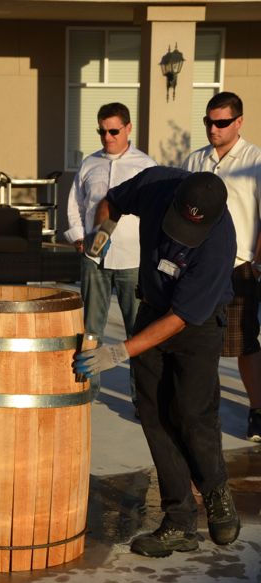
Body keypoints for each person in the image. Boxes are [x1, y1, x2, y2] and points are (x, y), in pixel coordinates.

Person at [73, 166, 241, 558]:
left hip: (196, 324)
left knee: (191, 414)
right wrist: (103, 231)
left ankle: (216, 491)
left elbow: (180, 319)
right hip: (152, 307)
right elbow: (112, 201)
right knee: (153, 415)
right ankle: (179, 521)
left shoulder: (218, 244)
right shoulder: (154, 184)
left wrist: (118, 352)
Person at [65, 102, 156, 407]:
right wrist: (79, 237)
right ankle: (87, 392)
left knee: (137, 330)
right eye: (102, 131)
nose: (107, 137)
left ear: (128, 128)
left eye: (113, 131)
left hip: (133, 259)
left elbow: (157, 214)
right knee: (91, 327)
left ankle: (141, 398)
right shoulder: (89, 164)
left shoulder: (145, 166)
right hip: (94, 260)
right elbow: (75, 205)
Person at [182, 92, 261, 443]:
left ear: (239, 122)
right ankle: (202, 412)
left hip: (239, 267)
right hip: (198, 267)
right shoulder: (195, 160)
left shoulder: (256, 160)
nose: (213, 129)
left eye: (222, 123)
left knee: (244, 344)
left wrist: (258, 262)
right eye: (209, 122)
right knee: (200, 343)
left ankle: (257, 412)